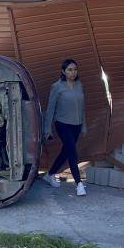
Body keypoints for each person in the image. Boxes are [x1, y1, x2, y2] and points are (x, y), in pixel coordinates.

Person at [41, 59, 87, 196]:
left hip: (77, 125)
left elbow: (82, 107)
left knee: (66, 151)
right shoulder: (57, 87)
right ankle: (79, 184)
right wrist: (47, 129)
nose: (73, 72)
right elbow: (50, 109)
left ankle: (49, 174)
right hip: (62, 124)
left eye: (75, 69)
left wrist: (84, 125)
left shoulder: (79, 85)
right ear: (63, 71)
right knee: (72, 151)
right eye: (70, 70)